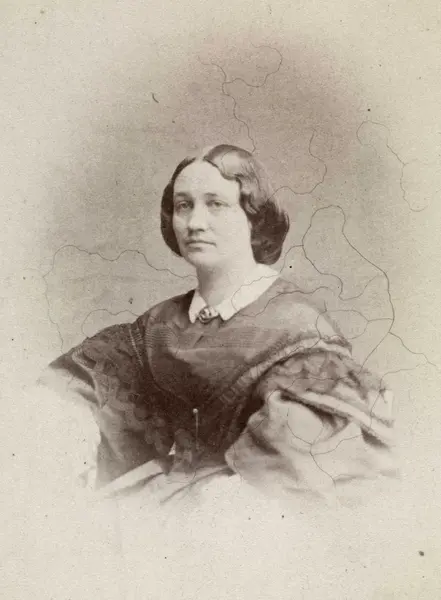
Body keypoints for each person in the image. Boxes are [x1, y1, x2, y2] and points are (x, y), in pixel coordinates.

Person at [34, 144, 398, 512]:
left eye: (216, 204)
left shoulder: (297, 327)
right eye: (183, 205)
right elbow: (84, 385)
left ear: (254, 217)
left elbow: (295, 473)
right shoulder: (158, 325)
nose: (195, 223)